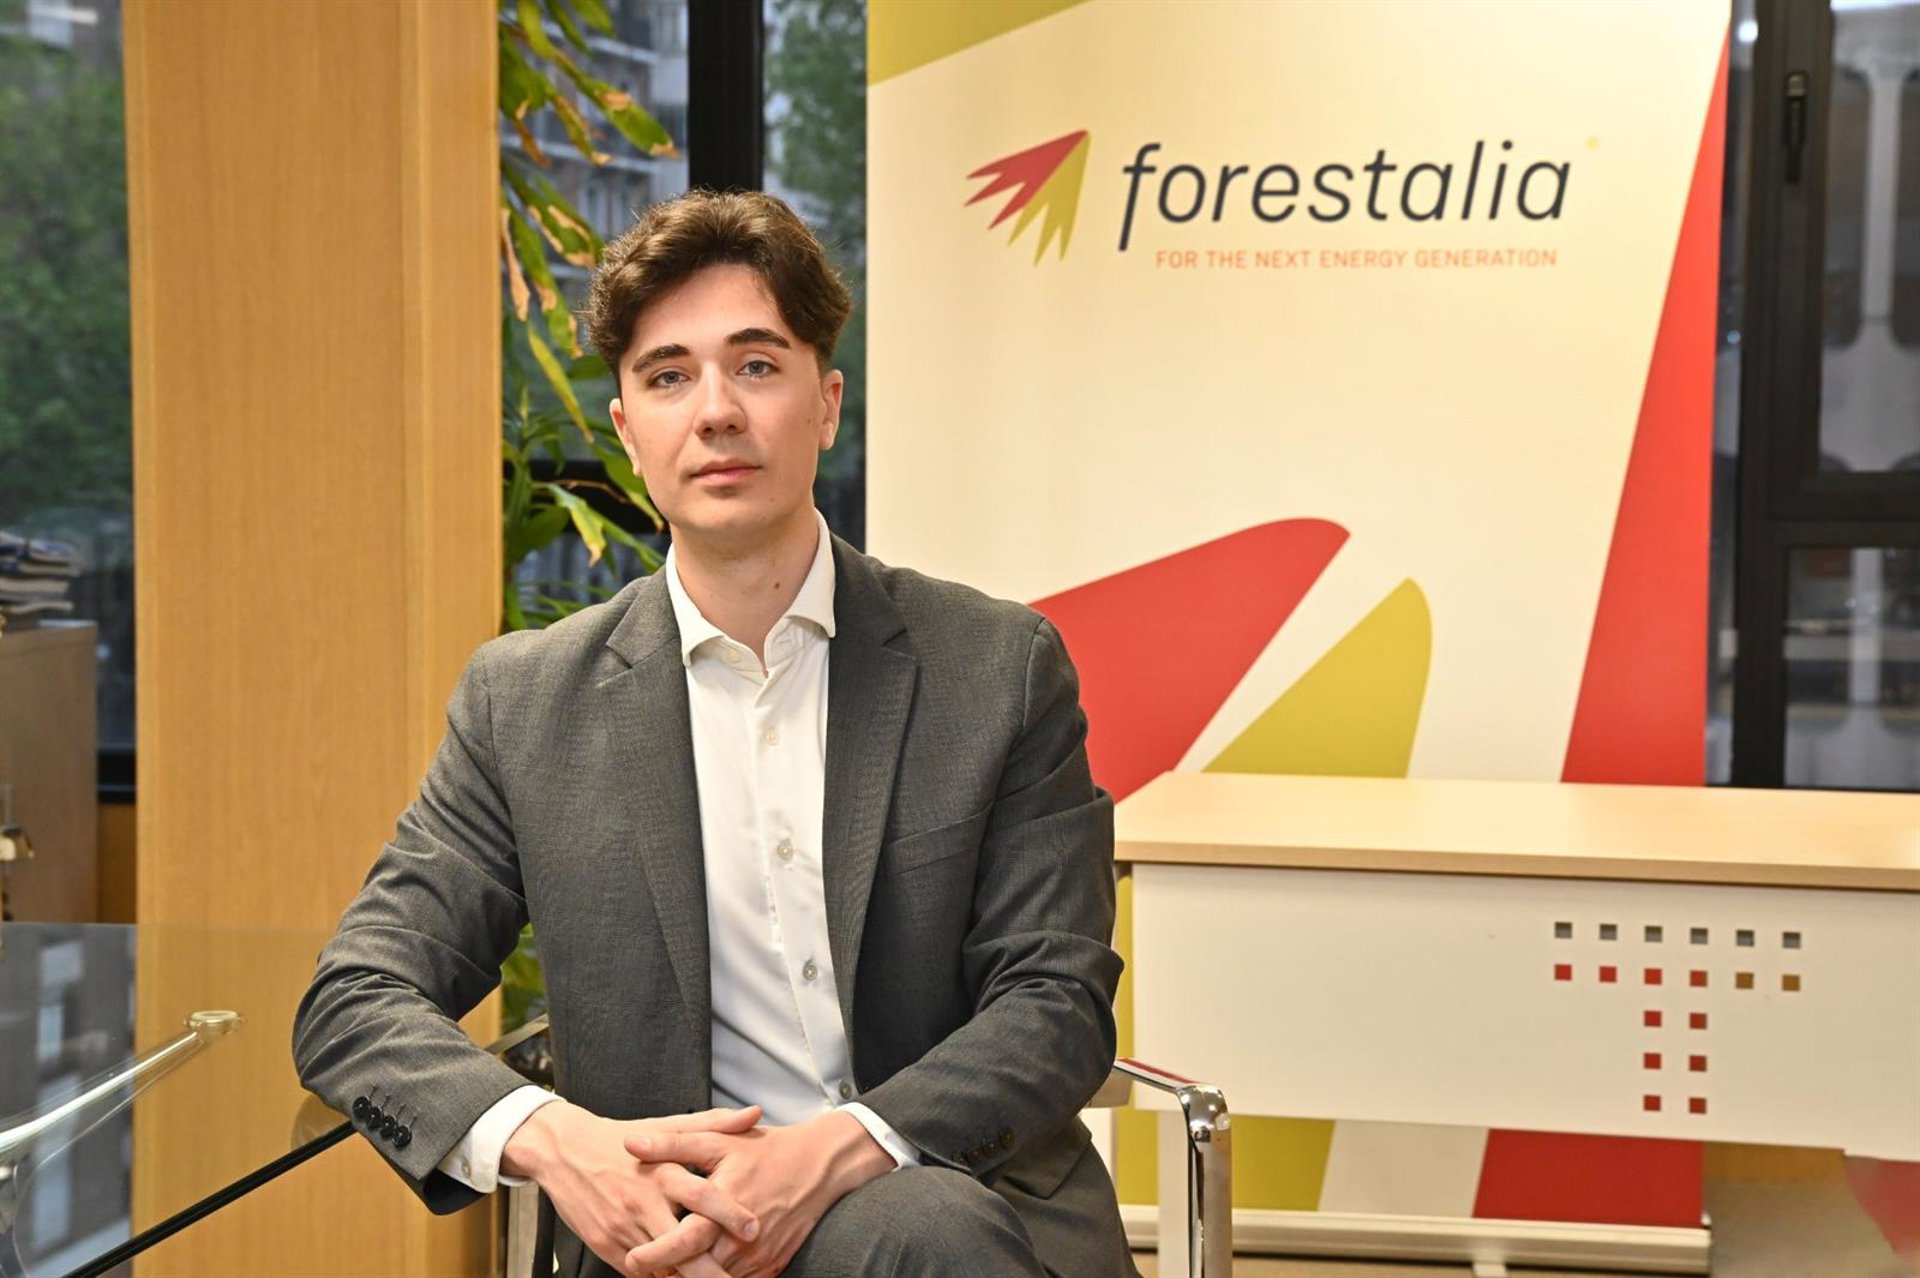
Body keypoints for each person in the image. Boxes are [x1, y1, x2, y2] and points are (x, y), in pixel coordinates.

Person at [292, 190, 1135, 1278]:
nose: (716, 412)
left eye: (757, 365)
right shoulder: (526, 703)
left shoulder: (996, 669)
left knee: (931, 1229)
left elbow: (1057, 1000)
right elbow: (356, 996)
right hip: (664, 1239)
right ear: (627, 431)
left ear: (826, 403)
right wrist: (560, 1143)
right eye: (668, 377)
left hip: (946, 1207)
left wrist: (835, 1152)